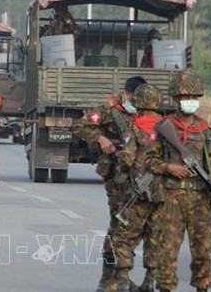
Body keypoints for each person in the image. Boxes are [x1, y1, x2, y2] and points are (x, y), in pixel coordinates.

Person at [143, 70, 211, 292]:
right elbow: (147, 160)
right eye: (184, 97)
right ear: (175, 99)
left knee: (204, 249)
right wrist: (168, 167)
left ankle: (202, 288)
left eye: (193, 97)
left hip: (201, 199)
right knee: (167, 251)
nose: (189, 101)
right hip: (171, 199)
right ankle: (165, 288)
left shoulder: (205, 129)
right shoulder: (163, 127)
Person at [71, 75, 147, 292]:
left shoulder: (144, 110)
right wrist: (101, 139)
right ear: (126, 94)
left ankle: (119, 278)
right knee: (120, 223)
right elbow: (80, 127)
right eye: (134, 97)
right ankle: (110, 279)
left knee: (133, 227)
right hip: (116, 175)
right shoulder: (109, 108)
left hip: (140, 175)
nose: (137, 101)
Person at [108, 84, 165, 292]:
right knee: (155, 236)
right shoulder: (168, 126)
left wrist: (120, 157)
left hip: (137, 192)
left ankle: (123, 279)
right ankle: (150, 281)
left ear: (139, 103)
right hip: (162, 193)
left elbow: (129, 158)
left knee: (124, 236)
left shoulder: (135, 126)